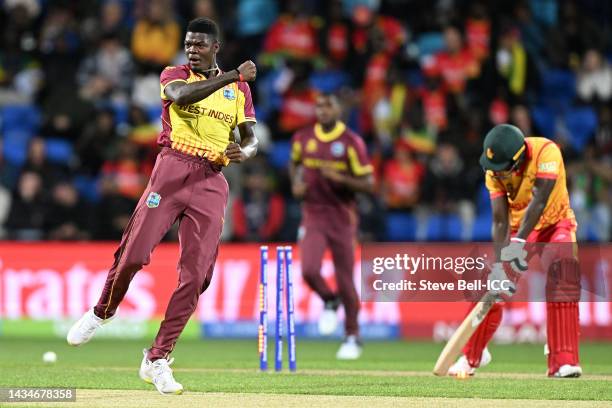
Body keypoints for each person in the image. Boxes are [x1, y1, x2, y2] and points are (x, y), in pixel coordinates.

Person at [66, 17, 258, 395]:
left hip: (211, 180)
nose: (192, 49)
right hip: (172, 170)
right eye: (188, 43)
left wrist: (245, 151)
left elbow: (251, 139)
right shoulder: (175, 73)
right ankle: (102, 311)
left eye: (200, 44)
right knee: (135, 254)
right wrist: (234, 74)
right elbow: (181, 97)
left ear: (214, 47)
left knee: (198, 275)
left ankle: (157, 358)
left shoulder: (239, 94)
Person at [448, 124, 582, 378]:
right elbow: (499, 220)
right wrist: (501, 263)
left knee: (564, 274)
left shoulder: (547, 153)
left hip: (555, 223)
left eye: (502, 169)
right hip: (521, 228)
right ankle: (471, 356)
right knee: (494, 284)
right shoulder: (493, 172)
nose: (496, 174)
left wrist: (518, 245)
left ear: (519, 160)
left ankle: (562, 360)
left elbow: (540, 201)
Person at [289, 93, 374, 360]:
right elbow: (294, 163)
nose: (322, 110)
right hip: (313, 213)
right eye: (319, 106)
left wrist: (341, 179)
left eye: (328, 106)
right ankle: (329, 299)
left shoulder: (351, 142)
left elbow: (369, 184)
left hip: (342, 216)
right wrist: (296, 184)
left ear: (339, 110)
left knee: (345, 278)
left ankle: (352, 335)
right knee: (309, 270)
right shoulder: (303, 138)